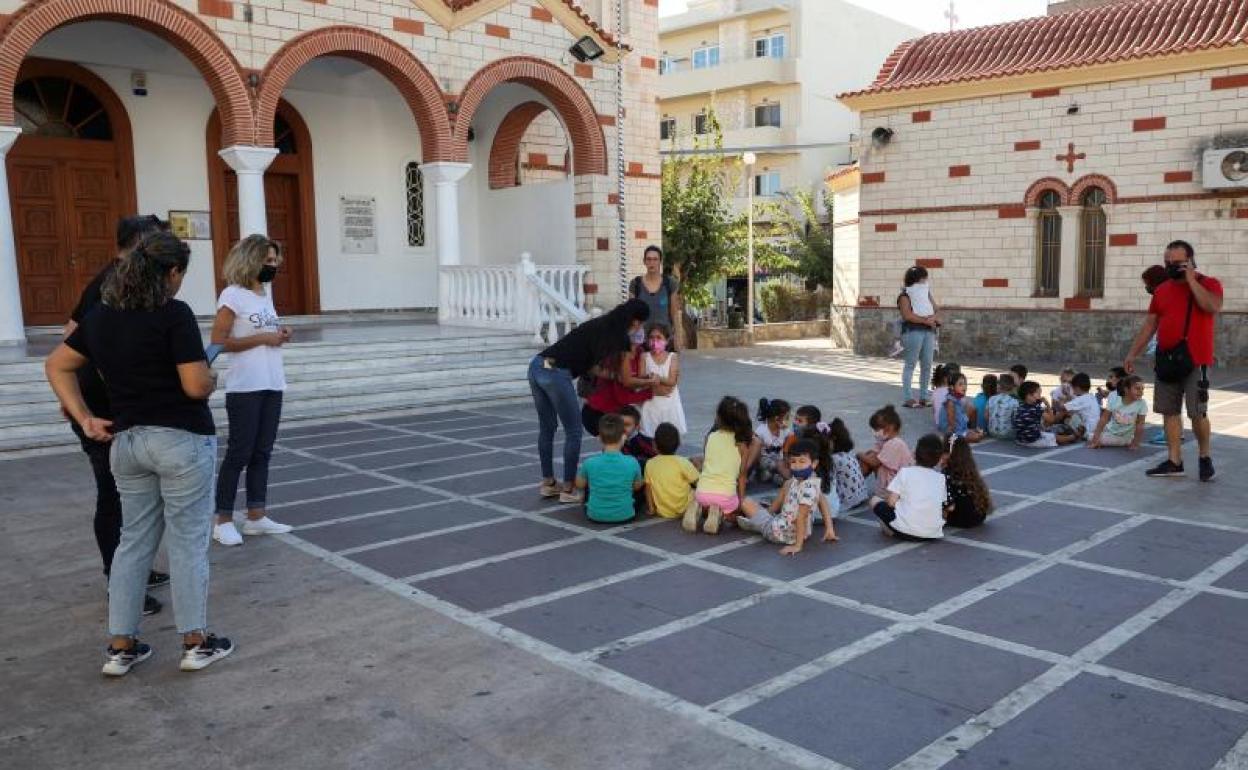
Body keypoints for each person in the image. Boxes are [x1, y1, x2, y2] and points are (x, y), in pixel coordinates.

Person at [45, 231, 234, 676]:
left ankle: (122, 645)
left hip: (126, 443)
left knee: (133, 543)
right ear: (171, 273)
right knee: (188, 542)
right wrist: (210, 378)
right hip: (180, 439)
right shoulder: (174, 315)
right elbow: (193, 385)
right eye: (181, 273)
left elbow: (56, 364)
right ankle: (195, 642)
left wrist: (85, 417)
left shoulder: (102, 316)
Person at [63, 215, 170, 617]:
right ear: (142, 243)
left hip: (112, 409)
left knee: (133, 498)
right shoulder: (114, 282)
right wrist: (80, 406)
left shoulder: (118, 279)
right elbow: (70, 343)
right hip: (105, 415)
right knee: (114, 497)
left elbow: (69, 331)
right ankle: (119, 582)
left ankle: (135, 570)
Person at [210, 236, 294, 547]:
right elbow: (218, 342)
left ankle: (257, 516)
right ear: (250, 259)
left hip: (272, 382)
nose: (273, 266)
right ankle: (223, 520)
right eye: (267, 261)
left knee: (263, 452)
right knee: (239, 453)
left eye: (275, 262)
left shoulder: (264, 294)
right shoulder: (233, 295)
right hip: (245, 386)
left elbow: (264, 331)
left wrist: (281, 333)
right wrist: (262, 339)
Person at [529, 299, 650, 504]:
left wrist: (614, 377)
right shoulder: (616, 336)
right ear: (636, 322)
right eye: (640, 324)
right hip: (557, 373)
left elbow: (590, 367)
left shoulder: (601, 324)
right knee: (574, 431)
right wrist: (624, 378)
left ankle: (549, 483)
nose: (640, 329)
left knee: (547, 428)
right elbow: (616, 374)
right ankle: (568, 488)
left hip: (536, 366)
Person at [1125, 240, 1222, 481]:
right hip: (1167, 359)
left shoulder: (1208, 283)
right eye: (1167, 262)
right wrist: (1132, 353)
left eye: (1176, 263)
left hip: (1196, 360)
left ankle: (1204, 456)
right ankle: (1174, 460)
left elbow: (1212, 306)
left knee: (1197, 412)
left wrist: (1190, 280)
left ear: (1190, 261)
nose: (1170, 266)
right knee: (1169, 412)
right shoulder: (1162, 290)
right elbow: (1150, 324)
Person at [736, 440, 837, 555]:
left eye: (802, 461)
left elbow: (801, 517)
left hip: (778, 532)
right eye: (793, 462)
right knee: (787, 485)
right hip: (796, 531)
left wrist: (797, 546)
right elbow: (823, 503)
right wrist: (829, 529)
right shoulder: (812, 482)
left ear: (814, 464)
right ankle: (762, 515)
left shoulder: (807, 489)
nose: (797, 466)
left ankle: (756, 521)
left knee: (745, 502)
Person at [686, 396, 753, 535]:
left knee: (706, 499)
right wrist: (740, 504)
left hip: (702, 492)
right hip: (725, 496)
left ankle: (699, 508)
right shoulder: (742, 445)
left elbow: (706, 464)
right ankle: (720, 515)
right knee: (735, 513)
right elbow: (742, 477)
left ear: (719, 418)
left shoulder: (709, 437)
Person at [581, 323, 656, 437]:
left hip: (617, 413)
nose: (639, 331)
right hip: (599, 414)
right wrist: (650, 392)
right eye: (634, 327)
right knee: (614, 448)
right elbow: (622, 397)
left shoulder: (641, 352)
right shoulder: (617, 355)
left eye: (641, 326)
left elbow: (635, 383)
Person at [871, 433, 946, 541]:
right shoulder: (941, 478)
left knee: (875, 500)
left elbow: (891, 502)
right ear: (939, 459)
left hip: (905, 529)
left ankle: (890, 530)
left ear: (915, 454)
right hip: (932, 533)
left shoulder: (905, 472)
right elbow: (940, 505)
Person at [575, 414, 643, 524]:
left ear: (600, 438)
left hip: (595, 515)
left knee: (588, 479)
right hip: (625, 514)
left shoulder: (589, 462)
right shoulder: (632, 461)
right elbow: (637, 486)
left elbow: (579, 485)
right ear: (623, 437)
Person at [897, 266, 940, 409]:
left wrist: (933, 319)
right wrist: (925, 321)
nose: (926, 280)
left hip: (929, 332)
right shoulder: (905, 296)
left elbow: (935, 308)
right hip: (913, 331)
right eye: (924, 277)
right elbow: (907, 315)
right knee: (910, 364)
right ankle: (908, 398)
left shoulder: (926, 292)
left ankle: (923, 397)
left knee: (927, 365)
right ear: (916, 279)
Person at [629, 245, 684, 346]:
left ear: (660, 262)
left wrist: (678, 337)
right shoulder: (636, 284)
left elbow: (674, 313)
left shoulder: (670, 283)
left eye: (655, 259)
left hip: (664, 340)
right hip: (642, 341)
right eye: (649, 259)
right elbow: (633, 315)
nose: (652, 263)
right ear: (644, 261)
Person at [639, 322, 687, 436]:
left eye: (659, 337)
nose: (655, 341)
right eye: (651, 337)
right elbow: (641, 380)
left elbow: (671, 381)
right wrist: (657, 384)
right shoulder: (644, 357)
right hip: (651, 405)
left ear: (666, 340)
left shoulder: (672, 357)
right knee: (650, 435)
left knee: (670, 436)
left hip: (670, 404)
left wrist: (656, 378)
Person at [644, 423, 700, 519]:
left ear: (654, 444)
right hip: (684, 508)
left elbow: (648, 489)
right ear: (679, 444)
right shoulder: (682, 462)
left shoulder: (650, 464)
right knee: (696, 489)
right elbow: (698, 481)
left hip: (663, 512)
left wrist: (651, 509)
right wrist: (697, 467)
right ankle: (696, 510)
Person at [857, 405, 913, 495]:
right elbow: (874, 452)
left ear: (890, 428)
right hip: (893, 480)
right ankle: (854, 486)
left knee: (867, 460)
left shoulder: (895, 443)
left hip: (897, 488)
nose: (875, 433)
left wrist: (860, 454)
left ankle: (853, 487)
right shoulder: (885, 441)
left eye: (877, 429)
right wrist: (867, 455)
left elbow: (874, 462)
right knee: (867, 458)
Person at [943, 435, 993, 528]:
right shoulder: (969, 470)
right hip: (978, 517)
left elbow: (948, 504)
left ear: (947, 453)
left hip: (959, 518)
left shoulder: (947, 473)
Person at [1091, 375, 1148, 449]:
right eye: (1137, 389)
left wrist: (1135, 443)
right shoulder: (1115, 400)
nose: (1141, 392)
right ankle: (1097, 438)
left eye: (1142, 389)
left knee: (1090, 437)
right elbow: (1104, 419)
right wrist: (1096, 437)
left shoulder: (1141, 403)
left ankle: (1125, 441)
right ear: (1126, 390)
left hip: (1124, 436)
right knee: (1092, 431)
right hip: (1109, 429)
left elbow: (1140, 424)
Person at [1013, 381, 1077, 448]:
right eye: (1038, 393)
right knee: (1054, 437)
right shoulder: (1036, 408)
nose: (1040, 395)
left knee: (1046, 432)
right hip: (1033, 441)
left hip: (1020, 440)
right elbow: (1052, 420)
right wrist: (1048, 405)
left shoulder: (1020, 406)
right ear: (1029, 395)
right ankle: (1073, 437)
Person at [828, 417, 869, 511]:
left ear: (832, 440)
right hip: (861, 496)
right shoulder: (848, 455)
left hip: (847, 502)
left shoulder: (834, 459)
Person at [751, 398, 793, 484]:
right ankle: (792, 480)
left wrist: (787, 459)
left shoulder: (785, 430)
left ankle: (775, 477)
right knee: (778, 465)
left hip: (778, 460)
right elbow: (755, 454)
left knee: (783, 468)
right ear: (777, 419)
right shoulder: (761, 431)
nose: (789, 420)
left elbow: (788, 446)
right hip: (763, 461)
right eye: (787, 417)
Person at [940, 372, 984, 442]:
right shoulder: (950, 403)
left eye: (965, 384)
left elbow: (960, 417)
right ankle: (950, 440)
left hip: (960, 426)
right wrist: (965, 433)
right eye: (960, 384)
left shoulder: (958, 398)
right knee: (977, 437)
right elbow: (952, 426)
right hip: (954, 431)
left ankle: (972, 430)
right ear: (952, 387)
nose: (964, 387)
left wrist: (970, 430)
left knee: (973, 409)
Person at [1062, 373, 1102, 439]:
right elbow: (1074, 401)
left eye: (1072, 388)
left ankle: (1076, 434)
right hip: (1096, 428)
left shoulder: (1081, 399)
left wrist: (1064, 398)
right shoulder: (1091, 396)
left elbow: (1064, 407)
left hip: (1088, 430)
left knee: (1070, 417)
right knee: (1075, 413)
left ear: (1077, 388)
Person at [1141, 264, 1168, 356]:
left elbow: (1150, 326)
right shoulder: (1158, 298)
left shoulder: (1165, 299)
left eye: (1148, 284)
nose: (1147, 288)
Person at [986, 373, 1019, 440]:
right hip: (1007, 434)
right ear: (1012, 387)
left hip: (991, 432)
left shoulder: (991, 399)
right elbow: (1016, 419)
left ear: (998, 386)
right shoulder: (1015, 402)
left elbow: (986, 416)